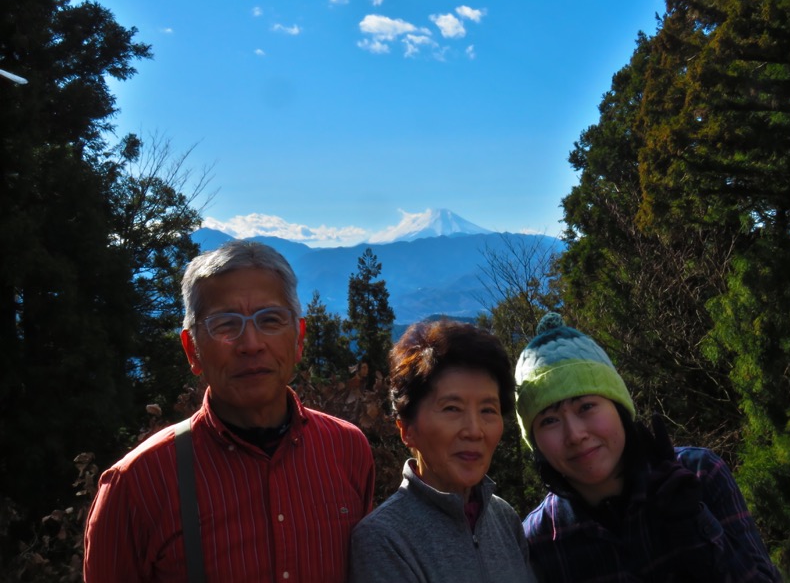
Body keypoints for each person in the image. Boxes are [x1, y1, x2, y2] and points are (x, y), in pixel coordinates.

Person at [84, 240, 375, 582]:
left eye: (270, 320)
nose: (251, 344)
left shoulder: (347, 450)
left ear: (298, 339)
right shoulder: (137, 485)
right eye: (225, 325)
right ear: (192, 349)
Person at [514, 312, 781, 582]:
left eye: (586, 407)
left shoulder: (699, 474)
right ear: (535, 442)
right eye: (549, 420)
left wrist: (695, 525)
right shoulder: (539, 539)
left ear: (619, 408)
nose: (575, 434)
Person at [349, 320, 535, 583]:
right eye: (452, 409)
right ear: (406, 429)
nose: (474, 430)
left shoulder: (505, 519)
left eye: (488, 410)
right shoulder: (385, 539)